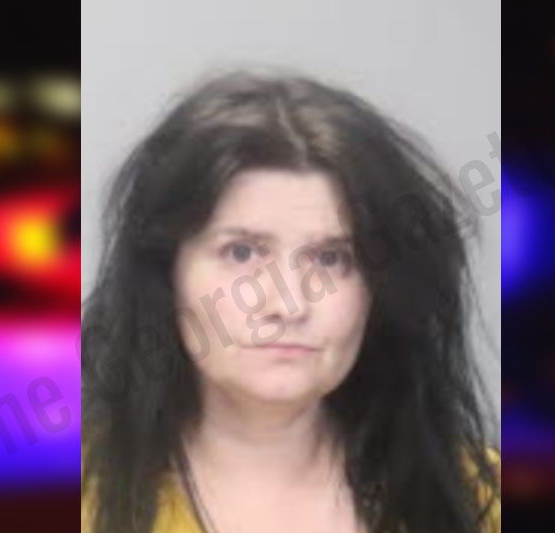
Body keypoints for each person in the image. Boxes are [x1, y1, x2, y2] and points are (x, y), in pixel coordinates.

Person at [81, 69, 500, 533]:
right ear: (166, 272)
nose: (289, 304)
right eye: (241, 253)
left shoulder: (477, 499)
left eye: (331, 259)